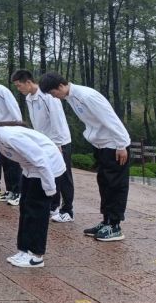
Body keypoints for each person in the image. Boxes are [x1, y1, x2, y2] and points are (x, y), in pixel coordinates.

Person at [39, 72, 131, 242]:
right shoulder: (72, 97)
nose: (55, 97)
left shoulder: (86, 96)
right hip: (102, 145)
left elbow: (111, 119)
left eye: (53, 93)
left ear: (61, 86)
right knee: (104, 183)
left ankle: (115, 226)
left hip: (115, 146)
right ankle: (106, 221)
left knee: (115, 185)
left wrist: (121, 145)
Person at [0, 123, 66, 268]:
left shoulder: (9, 137)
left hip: (47, 169)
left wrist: (50, 187)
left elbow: (40, 159)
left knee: (37, 212)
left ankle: (36, 256)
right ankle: (24, 250)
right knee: (25, 209)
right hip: (31, 170)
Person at [11, 70, 75, 223]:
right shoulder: (29, 98)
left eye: (20, 86)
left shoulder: (47, 96)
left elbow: (57, 119)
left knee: (64, 176)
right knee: (50, 173)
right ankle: (53, 206)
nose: (19, 89)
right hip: (44, 142)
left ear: (28, 82)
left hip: (60, 142)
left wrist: (58, 144)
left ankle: (68, 210)